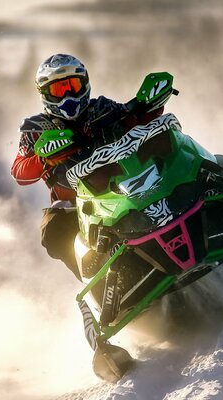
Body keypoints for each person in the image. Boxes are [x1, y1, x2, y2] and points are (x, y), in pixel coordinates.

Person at [11, 54, 163, 279]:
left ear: (85, 84)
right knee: (53, 230)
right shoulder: (35, 129)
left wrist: (150, 105)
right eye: (59, 90)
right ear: (45, 95)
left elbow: (133, 119)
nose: (67, 95)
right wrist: (45, 159)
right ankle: (95, 287)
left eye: (72, 86)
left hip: (125, 185)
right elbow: (19, 172)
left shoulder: (103, 108)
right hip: (77, 205)